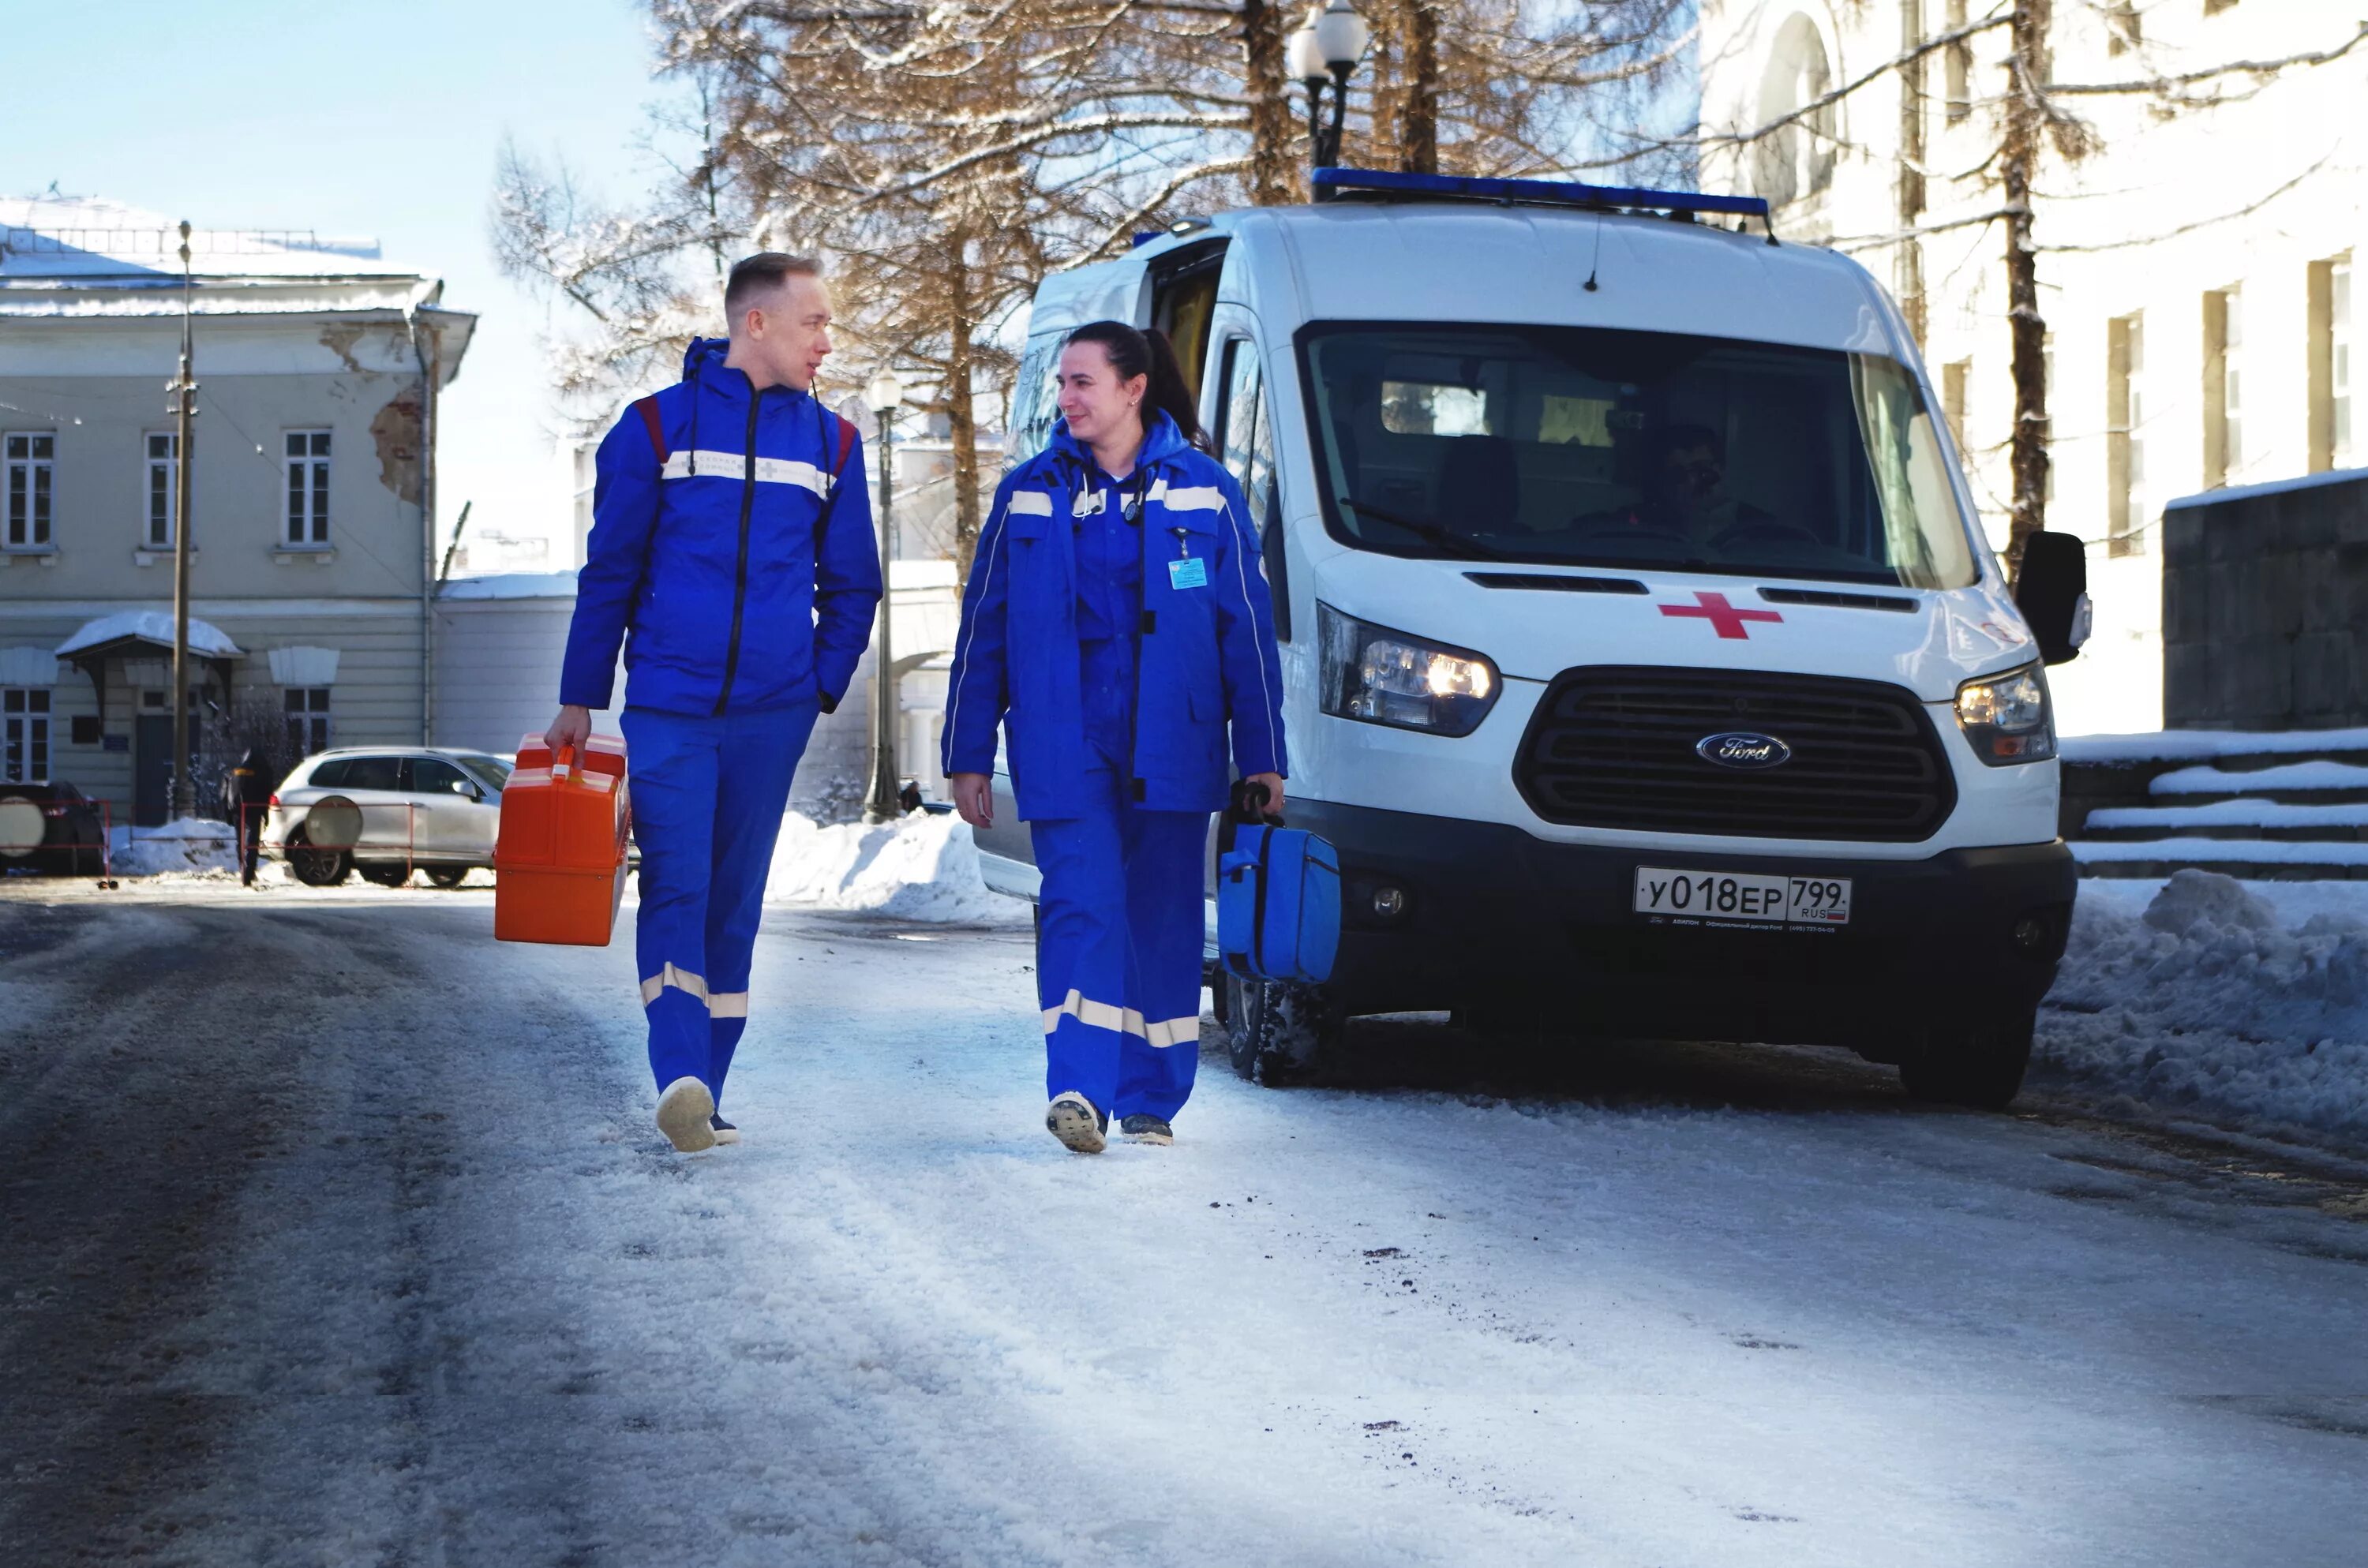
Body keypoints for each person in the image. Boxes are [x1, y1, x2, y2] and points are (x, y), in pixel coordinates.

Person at [549, 253, 881, 1154]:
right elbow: (609, 570)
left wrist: (815, 683)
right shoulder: (654, 428)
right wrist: (582, 694)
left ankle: (707, 1093)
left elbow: (855, 587)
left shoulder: (834, 444)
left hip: (772, 714)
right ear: (757, 323)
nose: (825, 340)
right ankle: (680, 1070)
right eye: (812, 321)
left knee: (733, 902)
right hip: (669, 705)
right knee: (679, 884)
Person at [942, 321, 1287, 1154]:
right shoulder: (1029, 490)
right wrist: (963, 748)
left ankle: (1152, 1096)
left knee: (1162, 916)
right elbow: (983, 627)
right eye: (1062, 383)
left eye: (1082, 382)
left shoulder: (1206, 490)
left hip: (1175, 741)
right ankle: (1079, 1088)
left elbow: (1246, 629)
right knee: (1079, 903)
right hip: (1065, 740)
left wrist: (1265, 755)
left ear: (1134, 389)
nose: (1065, 398)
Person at [221, 747, 271, 886]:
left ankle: (242, 869)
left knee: (240, 842)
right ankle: (249, 874)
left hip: (237, 811)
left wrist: (228, 814)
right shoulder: (262, 772)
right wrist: (266, 815)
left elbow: (224, 794)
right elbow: (267, 794)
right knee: (252, 843)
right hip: (254, 810)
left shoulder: (233, 772)